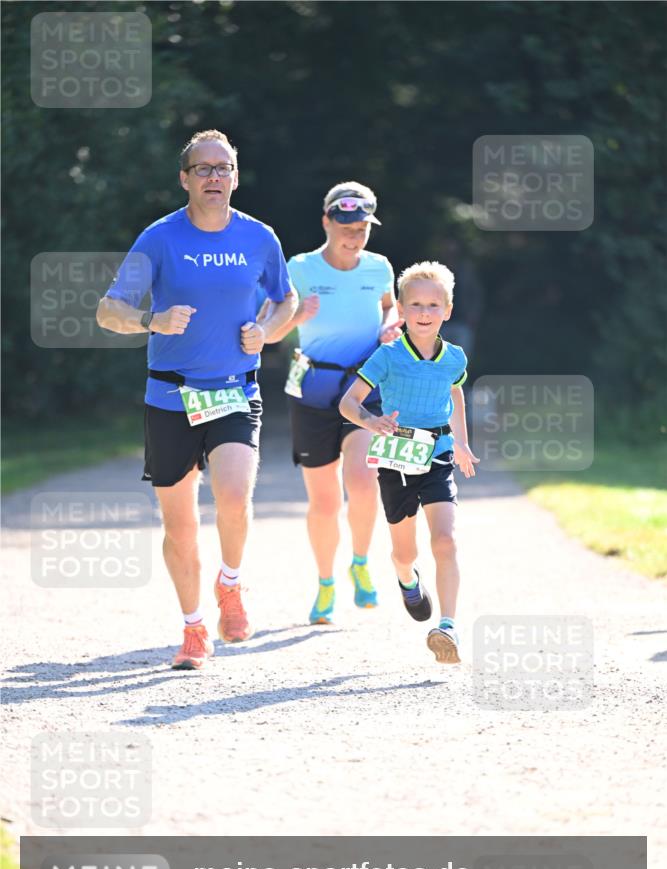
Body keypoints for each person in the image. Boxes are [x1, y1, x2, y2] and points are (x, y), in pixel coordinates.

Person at [96, 129, 296, 669]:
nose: (214, 177)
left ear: (235, 177)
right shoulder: (159, 238)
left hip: (234, 391)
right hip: (170, 397)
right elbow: (108, 310)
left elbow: (286, 299)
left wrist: (267, 332)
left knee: (233, 494)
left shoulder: (259, 237)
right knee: (180, 525)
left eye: (223, 168)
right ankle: (193, 628)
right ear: (185, 179)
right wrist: (152, 320)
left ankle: (230, 583)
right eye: (203, 169)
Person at [267, 182, 402, 625]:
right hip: (314, 389)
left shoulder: (379, 266)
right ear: (327, 222)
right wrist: (297, 316)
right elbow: (270, 325)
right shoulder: (300, 267)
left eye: (362, 229)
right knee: (324, 502)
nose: (354, 236)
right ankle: (325, 582)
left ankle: (360, 563)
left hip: (364, 387)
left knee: (363, 482)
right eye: (346, 228)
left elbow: (390, 306)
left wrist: (390, 325)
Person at [339, 261, 479, 664]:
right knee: (405, 552)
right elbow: (348, 403)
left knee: (445, 540)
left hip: (438, 454)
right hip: (396, 458)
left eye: (433, 305)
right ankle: (407, 578)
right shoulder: (387, 356)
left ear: (447, 311)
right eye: (415, 304)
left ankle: (448, 627)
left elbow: (454, 393)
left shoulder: (454, 358)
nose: (424, 312)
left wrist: (461, 442)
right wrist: (371, 421)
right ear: (400, 310)